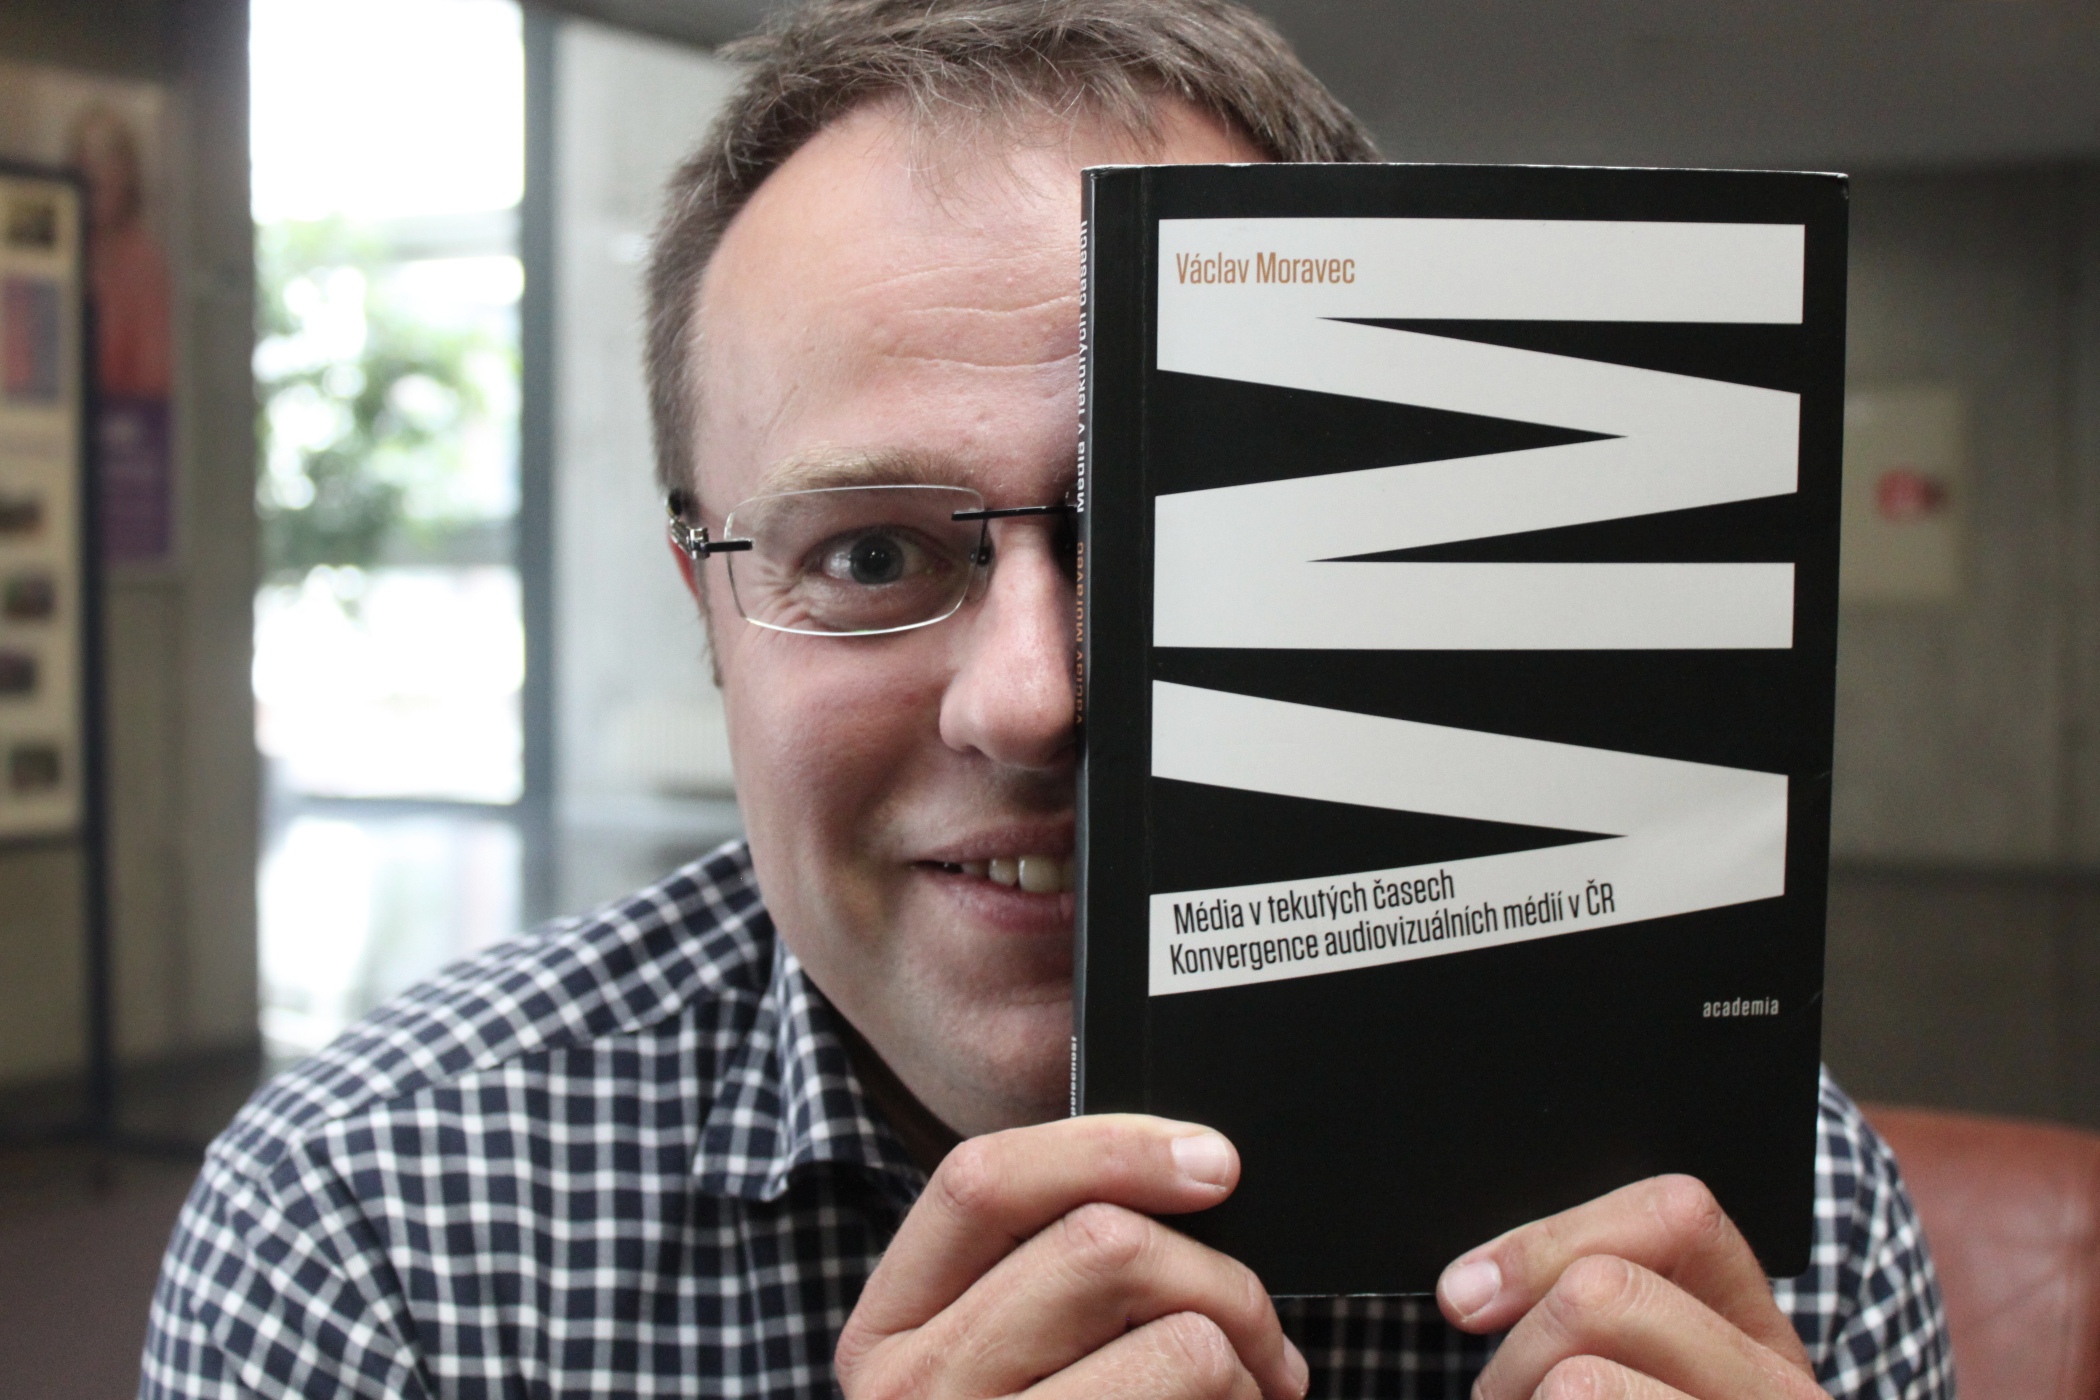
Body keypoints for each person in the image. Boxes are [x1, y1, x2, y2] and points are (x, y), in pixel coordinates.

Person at [145, 2, 1953, 1396]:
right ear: (712, 609)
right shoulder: (378, 1232)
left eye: (1164, 533)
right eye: (869, 553)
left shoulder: (1750, 1236)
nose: (1034, 698)